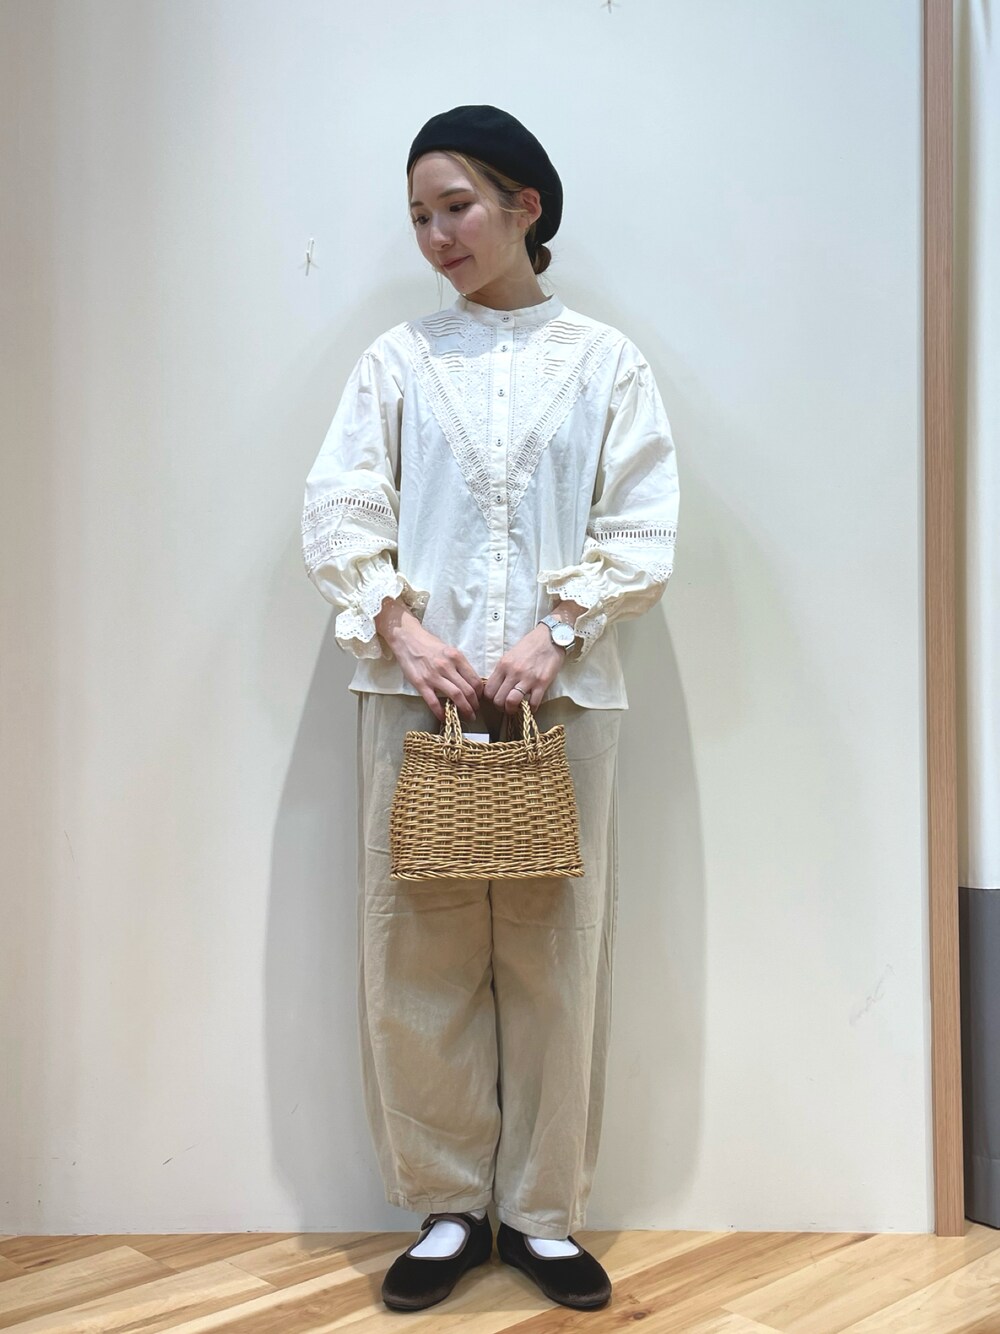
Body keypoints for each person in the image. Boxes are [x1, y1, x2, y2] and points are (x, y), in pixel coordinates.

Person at [301, 104, 679, 1313]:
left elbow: (641, 524)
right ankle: (448, 1207)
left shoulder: (608, 364)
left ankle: (544, 1212)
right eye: (419, 215)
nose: (437, 234)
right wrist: (405, 631)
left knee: (558, 953)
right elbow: (340, 509)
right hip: (414, 698)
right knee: (412, 953)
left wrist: (553, 634)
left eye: (456, 205)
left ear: (525, 205)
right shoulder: (396, 364)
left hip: (563, 702)